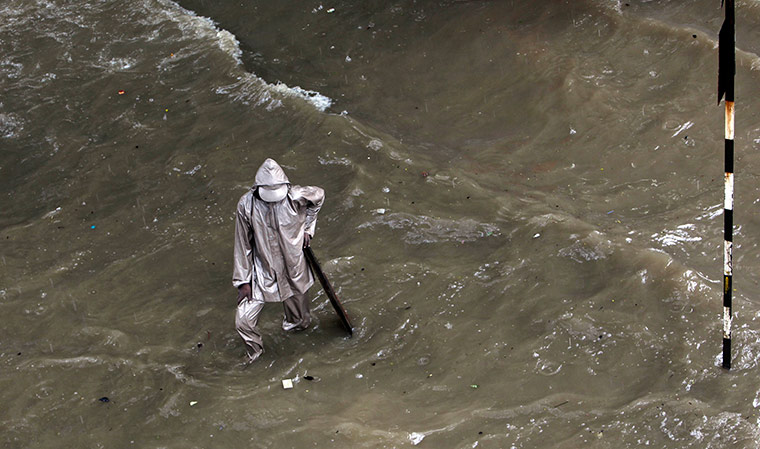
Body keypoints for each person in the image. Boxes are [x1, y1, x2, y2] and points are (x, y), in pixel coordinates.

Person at [232, 158, 325, 363]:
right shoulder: (246, 205)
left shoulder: (296, 196)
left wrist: (308, 228)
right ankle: (254, 354)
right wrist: (243, 282)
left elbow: (318, 197)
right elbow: (242, 244)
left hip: (293, 264)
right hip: (262, 268)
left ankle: (296, 344)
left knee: (300, 322)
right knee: (244, 320)